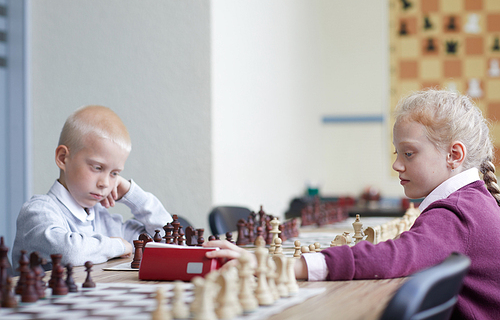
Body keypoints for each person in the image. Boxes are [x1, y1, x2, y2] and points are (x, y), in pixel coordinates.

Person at [204, 89, 500, 319]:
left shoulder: (457, 212)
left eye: (409, 154)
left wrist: (281, 265)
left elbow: (394, 257)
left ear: (454, 155)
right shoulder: (472, 201)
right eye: (396, 153)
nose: (397, 164)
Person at [12, 105, 172, 267]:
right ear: (62, 158)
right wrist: (119, 245)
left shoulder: (104, 220)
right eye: (97, 168)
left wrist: (132, 194)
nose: (105, 183)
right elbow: (70, 253)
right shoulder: (38, 212)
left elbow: (169, 241)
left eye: (114, 174)